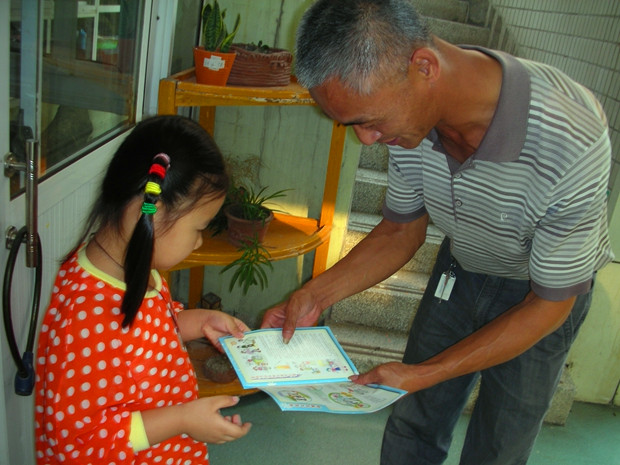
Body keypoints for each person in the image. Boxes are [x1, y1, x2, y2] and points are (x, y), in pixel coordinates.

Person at [261, 1, 614, 464]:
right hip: (460, 269)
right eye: (352, 125)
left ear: (424, 67)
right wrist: (314, 296)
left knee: (501, 442)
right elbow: (400, 231)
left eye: (369, 121)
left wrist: (427, 372)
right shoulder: (408, 117)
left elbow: (550, 303)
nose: (365, 139)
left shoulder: (570, 135)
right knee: (414, 421)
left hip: (542, 294)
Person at [35, 115, 252, 464]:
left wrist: (200, 321)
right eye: (198, 229)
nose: (198, 242)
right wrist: (183, 419)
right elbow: (79, 443)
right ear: (147, 213)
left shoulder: (133, 267)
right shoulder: (85, 316)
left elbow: (146, 333)